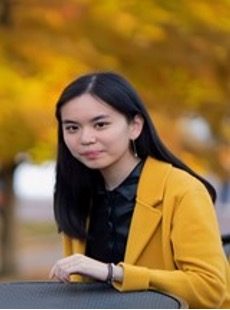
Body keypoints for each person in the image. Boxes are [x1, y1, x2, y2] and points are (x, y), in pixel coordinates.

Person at [49, 71, 230, 308]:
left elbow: (210, 288)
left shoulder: (182, 190)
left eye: (100, 124)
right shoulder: (78, 194)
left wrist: (113, 273)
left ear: (135, 126)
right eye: (72, 128)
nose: (86, 138)